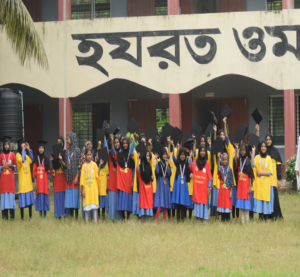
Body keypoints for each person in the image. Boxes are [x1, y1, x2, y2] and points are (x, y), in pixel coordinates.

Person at [188, 145, 213, 222]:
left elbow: (209, 175)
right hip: (197, 187)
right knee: (198, 201)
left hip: (204, 187)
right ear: (199, 152)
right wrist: (189, 158)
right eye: (201, 151)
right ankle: (199, 218)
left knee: (203, 201)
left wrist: (209, 187)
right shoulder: (195, 162)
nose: (202, 152)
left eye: (204, 151)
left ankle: (204, 217)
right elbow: (191, 168)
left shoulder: (207, 163)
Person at [60, 132, 81, 219]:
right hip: (68, 176)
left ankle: (76, 216)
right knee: (70, 196)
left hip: (75, 176)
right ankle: (71, 215)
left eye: (68, 139)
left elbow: (79, 165)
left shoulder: (78, 151)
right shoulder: (67, 152)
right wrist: (61, 161)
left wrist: (77, 176)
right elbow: (65, 166)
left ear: (72, 139)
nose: (67, 141)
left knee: (75, 195)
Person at [251, 141, 273, 221]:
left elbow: (270, 172)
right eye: (262, 146)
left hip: (266, 184)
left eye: (265, 146)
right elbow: (252, 164)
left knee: (265, 199)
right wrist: (253, 151)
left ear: (266, 148)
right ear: (260, 148)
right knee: (260, 199)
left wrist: (260, 173)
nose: (263, 148)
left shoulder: (269, 158)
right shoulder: (257, 157)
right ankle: (260, 217)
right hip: (258, 184)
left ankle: (265, 217)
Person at [171, 147, 193, 223]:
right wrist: (173, 146)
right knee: (178, 201)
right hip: (178, 183)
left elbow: (190, 170)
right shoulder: (177, 162)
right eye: (181, 154)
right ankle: (178, 219)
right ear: (179, 155)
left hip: (184, 184)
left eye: (184, 155)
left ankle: (182, 219)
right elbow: (173, 158)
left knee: (183, 201)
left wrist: (190, 174)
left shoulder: (187, 163)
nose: (182, 156)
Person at [234, 143, 254, 224]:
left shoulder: (248, 161)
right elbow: (235, 160)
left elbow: (250, 175)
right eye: (241, 150)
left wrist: (250, 186)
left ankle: (247, 220)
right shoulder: (239, 160)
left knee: (246, 203)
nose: (242, 152)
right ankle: (242, 220)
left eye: (243, 150)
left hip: (246, 185)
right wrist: (236, 149)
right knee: (241, 204)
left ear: (246, 151)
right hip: (240, 186)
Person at [265, 134, 284, 220]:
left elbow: (279, 167)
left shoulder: (275, 151)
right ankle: (266, 215)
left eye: (269, 139)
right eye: (267, 140)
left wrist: (279, 179)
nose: (268, 141)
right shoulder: (264, 151)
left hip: (273, 179)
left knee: (274, 198)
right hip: (265, 179)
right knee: (266, 197)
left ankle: (275, 215)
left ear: (272, 140)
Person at [16, 139, 35, 220]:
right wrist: (23, 150)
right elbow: (22, 160)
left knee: (29, 201)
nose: (24, 146)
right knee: (22, 202)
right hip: (23, 182)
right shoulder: (18, 155)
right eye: (23, 145)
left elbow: (32, 160)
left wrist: (29, 149)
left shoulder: (26, 155)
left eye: (24, 145)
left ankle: (30, 216)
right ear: (20, 146)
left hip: (28, 182)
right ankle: (22, 217)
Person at [116, 137, 135, 220]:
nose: (125, 145)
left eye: (126, 143)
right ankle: (123, 215)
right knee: (122, 196)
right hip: (122, 178)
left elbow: (133, 169)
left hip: (129, 178)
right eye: (123, 143)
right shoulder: (119, 154)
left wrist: (133, 141)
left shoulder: (131, 155)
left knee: (128, 196)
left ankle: (128, 215)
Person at [80, 148, 99, 223]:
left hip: (93, 188)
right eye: (87, 155)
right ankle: (86, 221)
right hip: (86, 189)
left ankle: (95, 221)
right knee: (87, 206)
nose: (89, 156)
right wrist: (83, 190)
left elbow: (97, 175)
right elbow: (82, 179)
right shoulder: (84, 166)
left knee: (94, 206)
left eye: (90, 154)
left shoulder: (94, 164)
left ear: (92, 155)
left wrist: (100, 165)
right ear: (85, 156)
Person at [33, 140, 51, 219]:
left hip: (45, 182)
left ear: (44, 149)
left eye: (42, 148)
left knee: (45, 197)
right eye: (39, 148)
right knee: (40, 198)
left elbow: (49, 172)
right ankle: (40, 215)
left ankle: (45, 215)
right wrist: (35, 182)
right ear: (38, 149)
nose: (41, 149)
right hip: (39, 183)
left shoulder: (46, 159)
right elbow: (34, 172)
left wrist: (49, 183)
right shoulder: (35, 159)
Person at [0, 136, 17, 220]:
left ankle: (12, 216)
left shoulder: (13, 155)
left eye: (7, 144)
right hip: (3, 180)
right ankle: (4, 216)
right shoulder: (1, 156)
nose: (6, 146)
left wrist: (12, 165)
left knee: (10, 197)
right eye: (5, 144)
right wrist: (2, 167)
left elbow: (16, 166)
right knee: (4, 197)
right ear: (3, 146)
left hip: (10, 180)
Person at [50, 136, 66, 219]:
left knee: (63, 195)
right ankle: (57, 214)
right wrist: (53, 161)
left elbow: (66, 167)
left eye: (60, 142)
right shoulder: (54, 154)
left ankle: (63, 213)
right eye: (57, 142)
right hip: (57, 178)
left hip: (63, 178)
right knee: (57, 195)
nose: (59, 143)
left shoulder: (65, 153)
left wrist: (61, 161)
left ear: (63, 143)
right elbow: (55, 168)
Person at [107, 135, 122, 220]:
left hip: (119, 180)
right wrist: (110, 141)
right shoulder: (110, 154)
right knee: (112, 200)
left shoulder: (122, 153)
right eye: (115, 142)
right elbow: (110, 151)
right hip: (112, 180)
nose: (116, 144)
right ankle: (111, 217)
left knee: (118, 200)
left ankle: (119, 217)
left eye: (117, 142)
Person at [136, 150, 154, 223]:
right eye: (146, 156)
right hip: (142, 186)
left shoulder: (149, 165)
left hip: (149, 186)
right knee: (143, 202)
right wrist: (137, 158)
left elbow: (151, 175)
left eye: (148, 156)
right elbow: (137, 170)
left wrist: (152, 178)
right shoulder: (141, 166)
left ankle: (147, 219)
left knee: (149, 202)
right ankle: (142, 219)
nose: (148, 157)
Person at [154, 148, 171, 223]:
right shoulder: (159, 163)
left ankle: (164, 221)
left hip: (166, 183)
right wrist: (157, 163)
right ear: (161, 155)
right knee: (160, 202)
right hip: (161, 183)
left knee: (166, 202)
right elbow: (157, 172)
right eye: (163, 154)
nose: (164, 155)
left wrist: (167, 166)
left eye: (165, 154)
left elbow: (169, 174)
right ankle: (156, 220)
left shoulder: (168, 163)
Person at [79, 141, 93, 220]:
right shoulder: (82, 158)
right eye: (88, 146)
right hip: (84, 182)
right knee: (85, 198)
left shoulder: (92, 160)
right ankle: (85, 216)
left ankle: (91, 216)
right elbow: (80, 170)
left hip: (91, 183)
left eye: (91, 147)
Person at [217, 153, 234, 222]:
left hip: (228, 190)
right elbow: (218, 168)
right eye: (223, 160)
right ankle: (223, 219)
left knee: (227, 203)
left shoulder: (230, 169)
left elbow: (232, 181)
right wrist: (218, 158)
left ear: (228, 160)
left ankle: (228, 219)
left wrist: (231, 192)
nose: (224, 161)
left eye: (225, 160)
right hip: (222, 189)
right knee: (222, 203)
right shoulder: (221, 168)